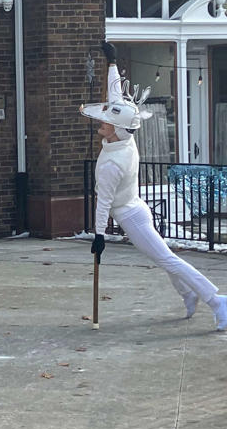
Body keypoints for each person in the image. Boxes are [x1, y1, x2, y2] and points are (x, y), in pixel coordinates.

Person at [82, 42, 227, 330]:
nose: (103, 120)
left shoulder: (114, 162)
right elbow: (117, 99)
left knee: (167, 259)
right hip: (137, 208)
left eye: (107, 121)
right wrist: (111, 63)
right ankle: (188, 294)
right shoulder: (123, 137)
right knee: (166, 259)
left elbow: (104, 202)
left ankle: (216, 300)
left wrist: (98, 235)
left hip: (131, 216)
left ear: (116, 129)